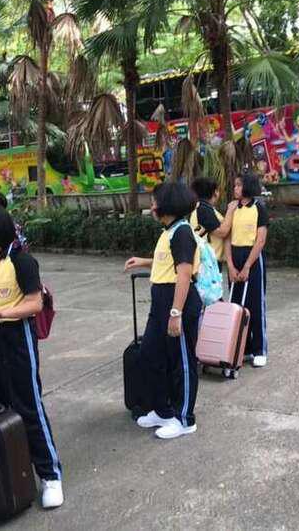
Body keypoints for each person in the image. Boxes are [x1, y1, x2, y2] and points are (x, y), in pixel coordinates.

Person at [0, 203, 64, 509]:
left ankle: (50, 475)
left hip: (15, 338)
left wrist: (2, 312)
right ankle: (1, 476)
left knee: (27, 405)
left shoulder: (21, 260)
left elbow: (35, 304)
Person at [124, 182, 202, 440]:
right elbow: (167, 261)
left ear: (167, 204)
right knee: (151, 354)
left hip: (177, 301)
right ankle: (163, 410)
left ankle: (184, 419)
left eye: (155, 201)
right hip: (160, 302)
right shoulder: (169, 231)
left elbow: (184, 273)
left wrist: (176, 313)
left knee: (182, 362)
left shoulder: (182, 232)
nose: (152, 206)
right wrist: (143, 261)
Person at [226, 173, 269, 368]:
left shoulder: (259, 207)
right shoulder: (232, 208)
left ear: (248, 187)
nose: (235, 188)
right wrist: (230, 265)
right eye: (235, 185)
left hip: (252, 258)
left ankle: (259, 350)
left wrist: (246, 266)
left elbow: (260, 240)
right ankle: (244, 348)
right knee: (236, 305)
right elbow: (226, 237)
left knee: (255, 303)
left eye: (238, 185)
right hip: (234, 256)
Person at [189, 177, 235, 272]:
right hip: (207, 262)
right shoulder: (204, 209)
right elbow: (222, 232)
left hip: (206, 260)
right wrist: (230, 210)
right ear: (215, 192)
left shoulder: (202, 207)